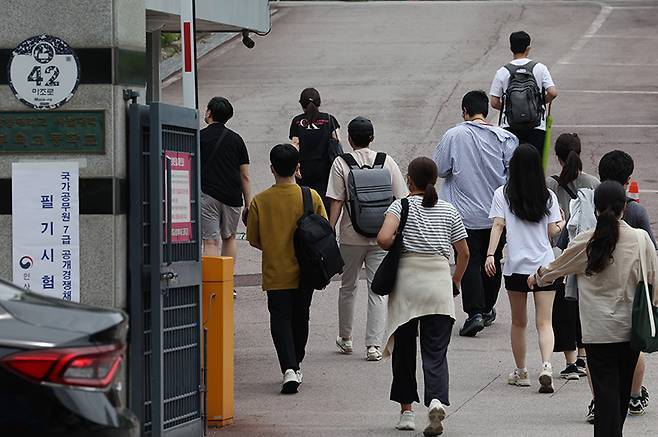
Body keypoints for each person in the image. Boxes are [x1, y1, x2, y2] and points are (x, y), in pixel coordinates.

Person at [529, 181, 658, 437]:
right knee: (620, 393)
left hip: (597, 332)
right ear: (625, 208)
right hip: (630, 330)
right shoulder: (640, 239)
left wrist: (538, 277)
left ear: (596, 209)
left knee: (605, 393)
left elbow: (557, 267)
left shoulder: (586, 241)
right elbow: (654, 279)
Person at [377, 157, 469, 436]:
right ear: (435, 180)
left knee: (404, 349)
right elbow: (464, 253)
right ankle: (437, 400)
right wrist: (454, 280)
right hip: (439, 283)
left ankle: (406, 412)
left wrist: (397, 241)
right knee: (435, 350)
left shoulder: (400, 205)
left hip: (408, 283)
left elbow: (383, 238)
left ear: (409, 180)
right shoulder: (448, 210)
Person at [433, 90, 518, 337]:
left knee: (468, 258)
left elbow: (440, 168)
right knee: (492, 258)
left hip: (464, 214)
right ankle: (488, 306)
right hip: (496, 216)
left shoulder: (454, 134)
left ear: (464, 111)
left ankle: (475, 312)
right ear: (486, 111)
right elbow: (511, 174)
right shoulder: (505, 138)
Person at [246, 144, 327, 394]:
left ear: (272, 169)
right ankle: (297, 362)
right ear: (298, 167)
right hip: (305, 271)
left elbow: (254, 238)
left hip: (275, 271)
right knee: (301, 316)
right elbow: (324, 230)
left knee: (280, 319)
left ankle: (288, 368)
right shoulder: (310, 196)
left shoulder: (260, 201)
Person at [484, 144, 565, 393]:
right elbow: (552, 232)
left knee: (519, 323)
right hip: (545, 266)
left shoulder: (502, 194)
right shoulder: (547, 196)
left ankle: (521, 372)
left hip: (516, 266)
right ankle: (547, 365)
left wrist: (490, 254)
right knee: (545, 322)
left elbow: (498, 226)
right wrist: (562, 221)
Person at [327, 116, 408, 361]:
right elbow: (401, 198)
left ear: (349, 139)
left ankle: (346, 338)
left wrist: (331, 229)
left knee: (347, 287)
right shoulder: (386, 161)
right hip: (380, 236)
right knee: (377, 290)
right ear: (372, 138)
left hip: (351, 236)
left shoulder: (341, 163)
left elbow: (337, 200)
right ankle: (373, 346)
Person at [586, 150, 656, 420]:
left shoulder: (589, 205)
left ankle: (598, 401)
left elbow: (565, 246)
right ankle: (634, 396)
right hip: (629, 295)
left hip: (592, 299)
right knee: (632, 348)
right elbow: (651, 250)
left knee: (593, 354)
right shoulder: (635, 210)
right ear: (628, 181)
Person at [546, 133, 599, 380]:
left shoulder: (550, 185)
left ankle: (570, 361)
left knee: (562, 306)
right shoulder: (593, 183)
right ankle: (584, 354)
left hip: (561, 253)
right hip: (589, 254)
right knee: (584, 305)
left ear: (557, 157)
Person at [200, 97, 251, 264]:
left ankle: (212, 286)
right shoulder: (236, 139)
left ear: (209, 112)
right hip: (232, 197)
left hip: (207, 196)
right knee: (229, 238)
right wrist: (248, 203)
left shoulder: (199, 137)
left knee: (210, 241)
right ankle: (228, 285)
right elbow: (245, 175)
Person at [490, 31, 558, 155]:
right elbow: (553, 92)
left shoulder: (502, 71)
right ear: (528, 48)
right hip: (536, 126)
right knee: (534, 165)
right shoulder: (540, 68)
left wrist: (511, 107)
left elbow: (494, 102)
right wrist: (539, 102)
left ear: (511, 48)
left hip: (510, 126)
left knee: (513, 165)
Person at [290, 88, 340, 212]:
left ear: (301, 104)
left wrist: (295, 165)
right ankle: (326, 227)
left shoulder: (297, 121)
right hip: (325, 168)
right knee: (324, 203)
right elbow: (337, 140)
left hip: (304, 169)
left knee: (305, 202)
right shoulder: (329, 119)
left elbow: (295, 143)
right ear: (319, 103)